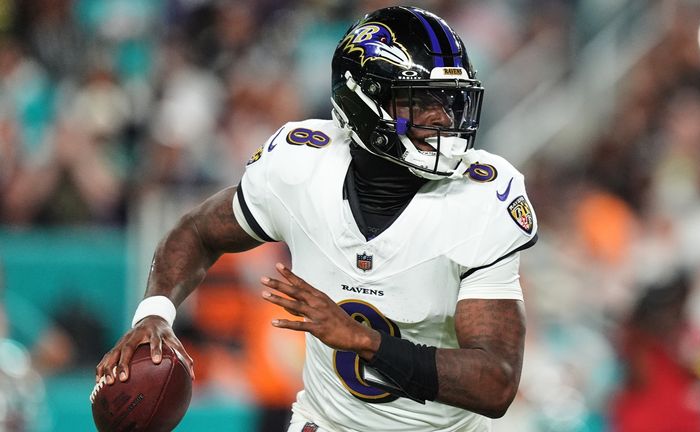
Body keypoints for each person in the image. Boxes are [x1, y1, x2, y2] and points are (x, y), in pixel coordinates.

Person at [96, 6, 538, 431]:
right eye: (420, 103)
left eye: (449, 100)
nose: (443, 117)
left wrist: (367, 343)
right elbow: (196, 231)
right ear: (366, 102)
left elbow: (496, 381)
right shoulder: (302, 166)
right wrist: (154, 314)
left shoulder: (481, 197)